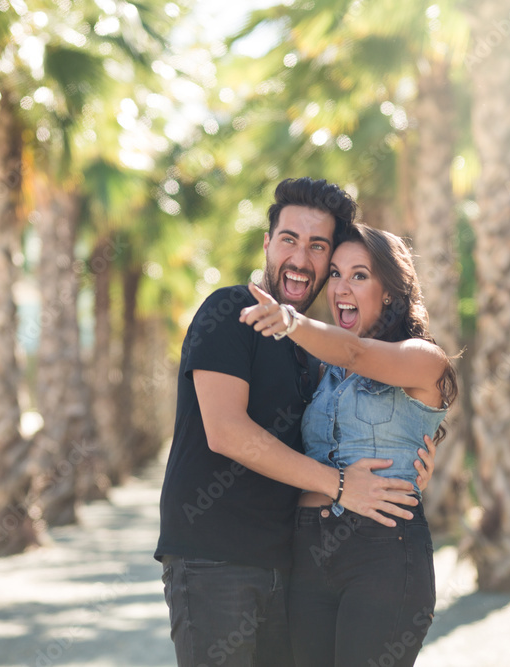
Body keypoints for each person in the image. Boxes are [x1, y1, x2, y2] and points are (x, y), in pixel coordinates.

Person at [155, 178, 437, 667]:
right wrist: (341, 484)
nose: (301, 258)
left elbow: (354, 425)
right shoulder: (230, 311)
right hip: (213, 559)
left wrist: (409, 467)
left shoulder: (313, 357)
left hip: (289, 563)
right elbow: (226, 432)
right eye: (289, 239)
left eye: (318, 246)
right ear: (267, 244)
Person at [240, 223, 457, 667]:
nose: (341, 287)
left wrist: (289, 320)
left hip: (382, 550)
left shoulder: (422, 359)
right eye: (336, 273)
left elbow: (357, 353)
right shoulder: (322, 372)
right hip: (307, 551)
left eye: (359, 275)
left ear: (390, 292)